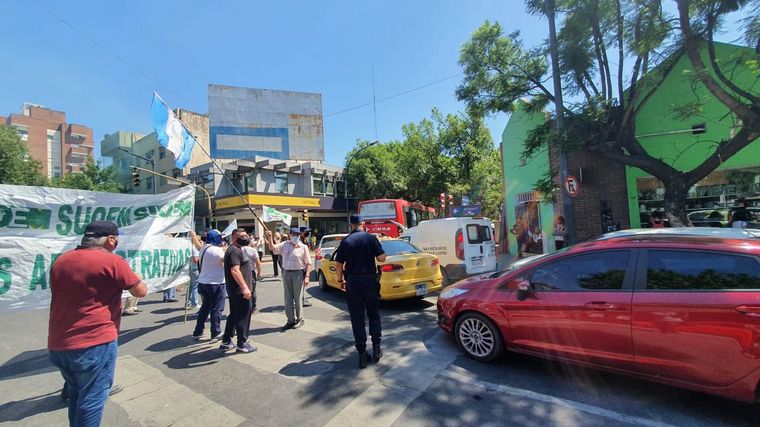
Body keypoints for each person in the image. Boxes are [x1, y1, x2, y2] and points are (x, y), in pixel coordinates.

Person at [48, 221, 148, 427]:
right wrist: (138, 278)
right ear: (110, 240)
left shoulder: (61, 261)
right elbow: (140, 291)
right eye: (117, 240)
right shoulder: (112, 261)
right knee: (92, 399)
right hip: (94, 342)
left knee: (76, 393)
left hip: (59, 343)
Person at [334, 215, 387, 369]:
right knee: (374, 314)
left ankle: (362, 354)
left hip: (353, 282)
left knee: (357, 318)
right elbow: (381, 258)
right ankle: (376, 349)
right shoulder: (371, 239)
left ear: (350, 225)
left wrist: (340, 280)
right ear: (362, 224)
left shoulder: (346, 241)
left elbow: (339, 264)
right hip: (370, 281)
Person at [265, 227, 312, 330]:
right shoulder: (284, 244)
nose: (295, 236)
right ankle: (290, 320)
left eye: (297, 235)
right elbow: (272, 248)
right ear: (289, 235)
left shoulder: (303, 247)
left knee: (298, 298)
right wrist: (270, 237)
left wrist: (307, 276)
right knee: (288, 298)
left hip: (298, 273)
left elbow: (308, 263)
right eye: (293, 234)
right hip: (286, 273)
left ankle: (300, 319)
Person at [219, 228, 257, 353]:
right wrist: (245, 288)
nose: (245, 237)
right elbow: (235, 270)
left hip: (237, 290)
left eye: (246, 235)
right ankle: (242, 343)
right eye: (242, 236)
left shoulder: (235, 249)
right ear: (234, 237)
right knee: (243, 317)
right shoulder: (234, 251)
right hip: (240, 291)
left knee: (234, 315)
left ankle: (226, 341)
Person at [192, 229, 226, 341]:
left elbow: (197, 245)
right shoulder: (216, 250)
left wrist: (193, 235)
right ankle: (215, 332)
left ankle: (198, 331)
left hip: (203, 282)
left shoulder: (204, 248)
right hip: (216, 282)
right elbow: (226, 261)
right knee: (217, 308)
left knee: (205, 308)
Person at [242, 237, 263, 305]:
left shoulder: (239, 249)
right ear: (249, 242)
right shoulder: (253, 250)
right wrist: (259, 272)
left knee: (242, 288)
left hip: (241, 272)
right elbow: (258, 263)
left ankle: (245, 304)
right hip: (251, 271)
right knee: (252, 289)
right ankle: (253, 306)